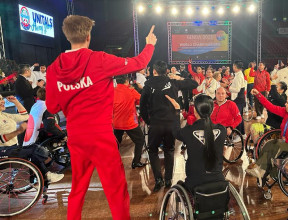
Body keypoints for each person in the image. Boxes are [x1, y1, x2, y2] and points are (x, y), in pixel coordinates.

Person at [46, 15, 157, 220]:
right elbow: (139, 62)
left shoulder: (54, 68)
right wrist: (149, 45)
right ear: (88, 36)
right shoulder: (99, 59)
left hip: (76, 136)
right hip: (101, 135)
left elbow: (52, 106)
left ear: (67, 36)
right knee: (115, 189)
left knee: (78, 188)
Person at [140, 60, 197, 192]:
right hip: (171, 123)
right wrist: (179, 77)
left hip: (155, 124)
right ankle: (168, 180)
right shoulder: (173, 82)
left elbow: (142, 107)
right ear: (166, 71)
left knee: (153, 150)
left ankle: (158, 179)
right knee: (169, 150)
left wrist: (149, 121)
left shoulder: (147, 85)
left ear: (154, 71)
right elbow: (194, 83)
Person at [166, 94, 226, 192]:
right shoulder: (222, 130)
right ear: (212, 110)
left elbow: (176, 131)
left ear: (195, 111)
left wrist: (177, 110)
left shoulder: (188, 131)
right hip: (218, 179)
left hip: (195, 181)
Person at [0, 95, 64, 183]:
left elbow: (25, 116)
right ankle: (45, 175)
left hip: (11, 148)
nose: (3, 101)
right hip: (3, 151)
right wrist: (18, 131)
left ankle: (39, 176)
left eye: (1, 99)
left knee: (35, 148)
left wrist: (16, 102)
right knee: (33, 150)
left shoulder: (4, 115)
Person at [113, 75, 145, 169]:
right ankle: (136, 161)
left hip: (116, 122)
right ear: (127, 81)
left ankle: (112, 161)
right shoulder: (130, 91)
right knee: (140, 140)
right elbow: (141, 100)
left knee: (116, 143)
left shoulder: (112, 91)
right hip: (129, 122)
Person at [229, 61, 247, 135]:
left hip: (239, 99)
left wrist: (229, 87)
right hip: (239, 98)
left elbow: (237, 89)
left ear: (235, 67)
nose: (233, 67)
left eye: (233, 66)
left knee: (238, 117)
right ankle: (242, 134)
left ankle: (241, 134)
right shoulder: (238, 75)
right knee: (239, 117)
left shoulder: (239, 76)